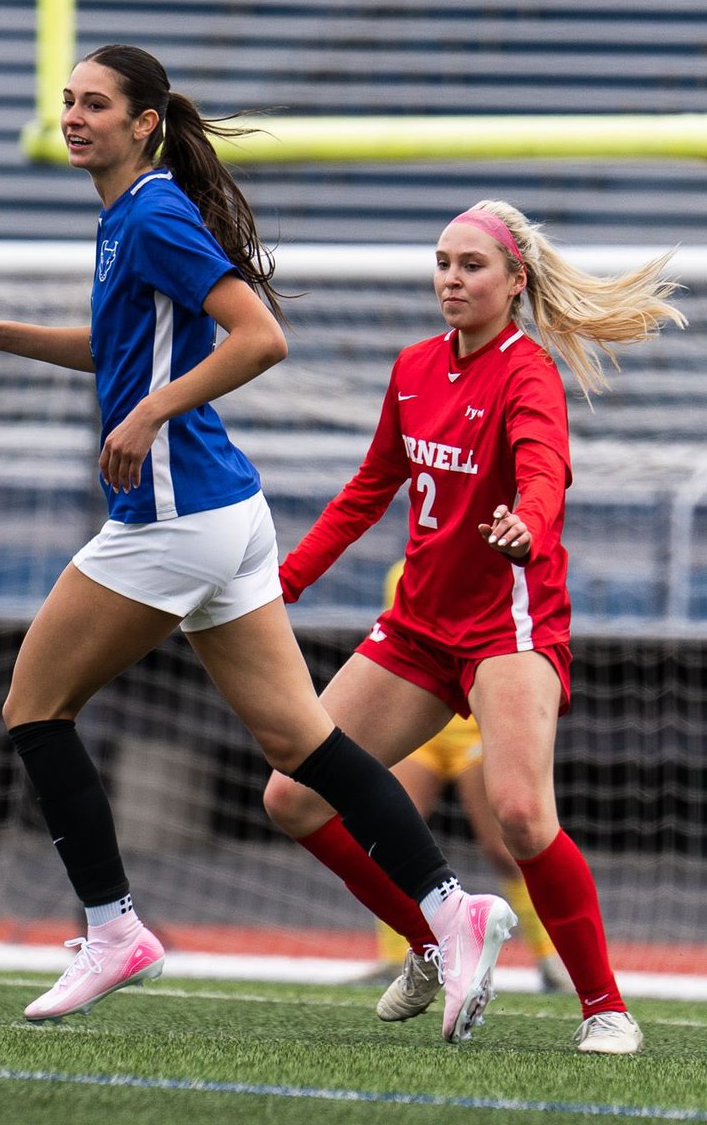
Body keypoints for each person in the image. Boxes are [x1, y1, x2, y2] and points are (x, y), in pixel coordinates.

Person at [0, 45, 513, 1040]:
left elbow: (260, 337)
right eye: (67, 101)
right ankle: (454, 911)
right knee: (302, 745)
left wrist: (151, 413)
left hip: (174, 517)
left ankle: (113, 930)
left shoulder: (151, 213)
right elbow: (121, 348)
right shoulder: (128, 215)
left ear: (144, 122)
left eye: (95, 103)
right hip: (226, 515)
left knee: (34, 708)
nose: (73, 116)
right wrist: (1, 334)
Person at [263, 199, 686, 1055]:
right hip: (418, 628)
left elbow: (545, 468)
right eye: (443, 263)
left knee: (522, 815)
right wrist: (285, 581)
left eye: (471, 265)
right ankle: (432, 942)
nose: (451, 279)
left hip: (508, 628)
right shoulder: (414, 366)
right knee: (293, 797)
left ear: (514, 280)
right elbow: (369, 489)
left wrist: (530, 521)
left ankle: (606, 1009)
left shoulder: (528, 372)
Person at [365, 564, 572, 1001]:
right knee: (388, 839)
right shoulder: (400, 573)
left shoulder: (494, 571)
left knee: (507, 845)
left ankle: (551, 957)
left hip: (472, 723)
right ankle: (398, 956)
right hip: (421, 725)